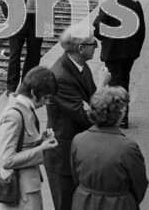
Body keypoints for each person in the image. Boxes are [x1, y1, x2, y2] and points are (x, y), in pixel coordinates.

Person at [44, 26, 109, 210]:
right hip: (63, 159)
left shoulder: (81, 66)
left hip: (78, 152)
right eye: (93, 43)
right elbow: (89, 116)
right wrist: (103, 87)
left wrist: (92, 103)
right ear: (81, 49)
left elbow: (91, 104)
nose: (96, 46)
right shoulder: (61, 77)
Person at [0, 66, 60, 209]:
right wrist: (42, 148)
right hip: (21, 192)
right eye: (46, 97)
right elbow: (7, 160)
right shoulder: (14, 115)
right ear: (34, 92)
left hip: (25, 187)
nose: (47, 102)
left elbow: (22, 143)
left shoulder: (23, 108)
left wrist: (41, 140)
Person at [71, 86, 148, 209]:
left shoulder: (78, 140)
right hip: (118, 204)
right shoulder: (128, 148)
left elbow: (76, 176)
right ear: (120, 114)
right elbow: (139, 184)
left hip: (84, 202)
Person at [92, 0, 146, 128]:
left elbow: (98, 28)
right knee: (124, 81)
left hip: (113, 52)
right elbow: (141, 30)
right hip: (129, 52)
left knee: (115, 84)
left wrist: (104, 40)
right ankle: (123, 115)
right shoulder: (135, 3)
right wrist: (136, 49)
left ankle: (120, 117)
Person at [3, 0, 51, 94]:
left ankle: (27, 86)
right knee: (15, 54)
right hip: (18, 21)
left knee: (34, 54)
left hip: (36, 20)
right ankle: (11, 88)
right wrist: (9, 18)